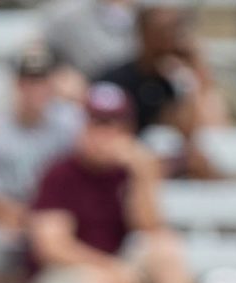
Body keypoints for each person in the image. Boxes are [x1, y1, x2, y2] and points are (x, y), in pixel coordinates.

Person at [28, 84, 186, 283]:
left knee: (165, 249)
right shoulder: (60, 174)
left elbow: (149, 229)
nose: (104, 134)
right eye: (97, 123)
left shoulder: (130, 171)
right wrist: (109, 267)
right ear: (82, 127)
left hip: (118, 266)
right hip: (69, 273)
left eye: (113, 124)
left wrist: (143, 173)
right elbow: (52, 247)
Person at [0, 44, 83, 236]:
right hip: (7, 224)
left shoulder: (73, 123)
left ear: (53, 83)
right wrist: (36, 223)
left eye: (41, 80)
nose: (35, 89)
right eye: (28, 80)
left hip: (61, 222)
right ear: (16, 83)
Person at [95, 5, 226, 178]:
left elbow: (196, 129)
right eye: (164, 31)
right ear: (144, 34)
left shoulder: (173, 80)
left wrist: (197, 72)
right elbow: (107, 135)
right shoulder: (116, 79)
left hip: (162, 162)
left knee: (202, 163)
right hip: (123, 162)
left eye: (176, 30)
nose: (171, 39)